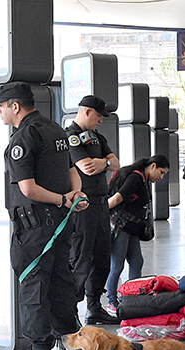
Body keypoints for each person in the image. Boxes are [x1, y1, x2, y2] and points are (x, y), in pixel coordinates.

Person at [0, 82, 89, 350]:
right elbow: (73, 169)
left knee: (33, 290)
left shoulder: (23, 137)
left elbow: (28, 189)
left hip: (35, 227)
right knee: (61, 285)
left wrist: (62, 199)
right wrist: (73, 195)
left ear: (15, 106)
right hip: (60, 225)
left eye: (2, 105)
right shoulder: (55, 130)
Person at [66, 95, 120, 325]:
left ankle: (94, 307)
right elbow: (86, 168)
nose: (100, 121)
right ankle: (69, 313)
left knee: (102, 259)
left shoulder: (98, 137)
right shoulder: (71, 136)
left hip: (101, 206)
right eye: (98, 116)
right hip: (83, 207)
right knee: (81, 260)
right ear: (87, 112)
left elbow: (116, 163)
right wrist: (103, 163)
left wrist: (105, 163)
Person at [105, 155, 170, 314]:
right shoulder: (136, 178)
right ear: (153, 166)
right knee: (117, 265)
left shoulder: (143, 178)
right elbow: (116, 198)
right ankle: (111, 301)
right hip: (122, 228)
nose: (160, 177)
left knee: (136, 262)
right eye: (161, 172)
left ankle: (132, 296)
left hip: (131, 228)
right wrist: (97, 215)